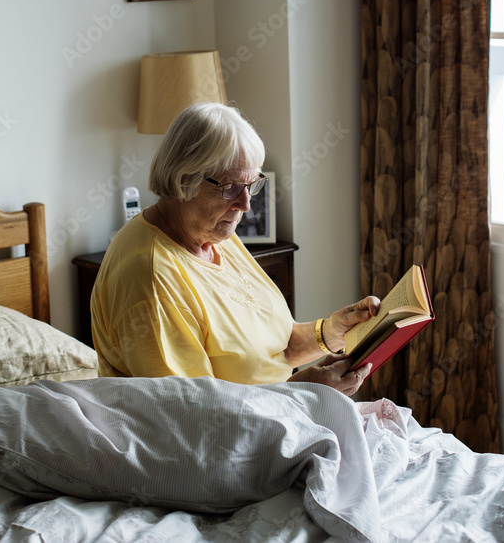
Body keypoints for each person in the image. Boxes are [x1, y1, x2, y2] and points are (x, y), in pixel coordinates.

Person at [91, 102, 379, 397]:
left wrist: (333, 331)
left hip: (277, 420)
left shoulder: (214, 235)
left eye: (251, 185)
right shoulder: (151, 279)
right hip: (228, 437)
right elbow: (196, 418)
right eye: (229, 187)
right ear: (183, 180)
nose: (245, 204)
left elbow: (280, 347)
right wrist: (306, 393)